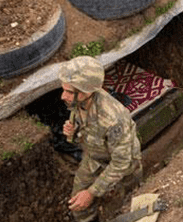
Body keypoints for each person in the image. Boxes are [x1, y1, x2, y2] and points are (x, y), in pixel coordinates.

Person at [61, 56, 143, 222]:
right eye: (63, 89)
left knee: (124, 209)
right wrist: (73, 132)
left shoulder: (113, 119)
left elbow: (121, 163)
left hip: (123, 169)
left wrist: (92, 192)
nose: (63, 96)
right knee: (78, 206)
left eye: (69, 92)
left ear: (86, 92)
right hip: (95, 159)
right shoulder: (78, 104)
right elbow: (86, 134)